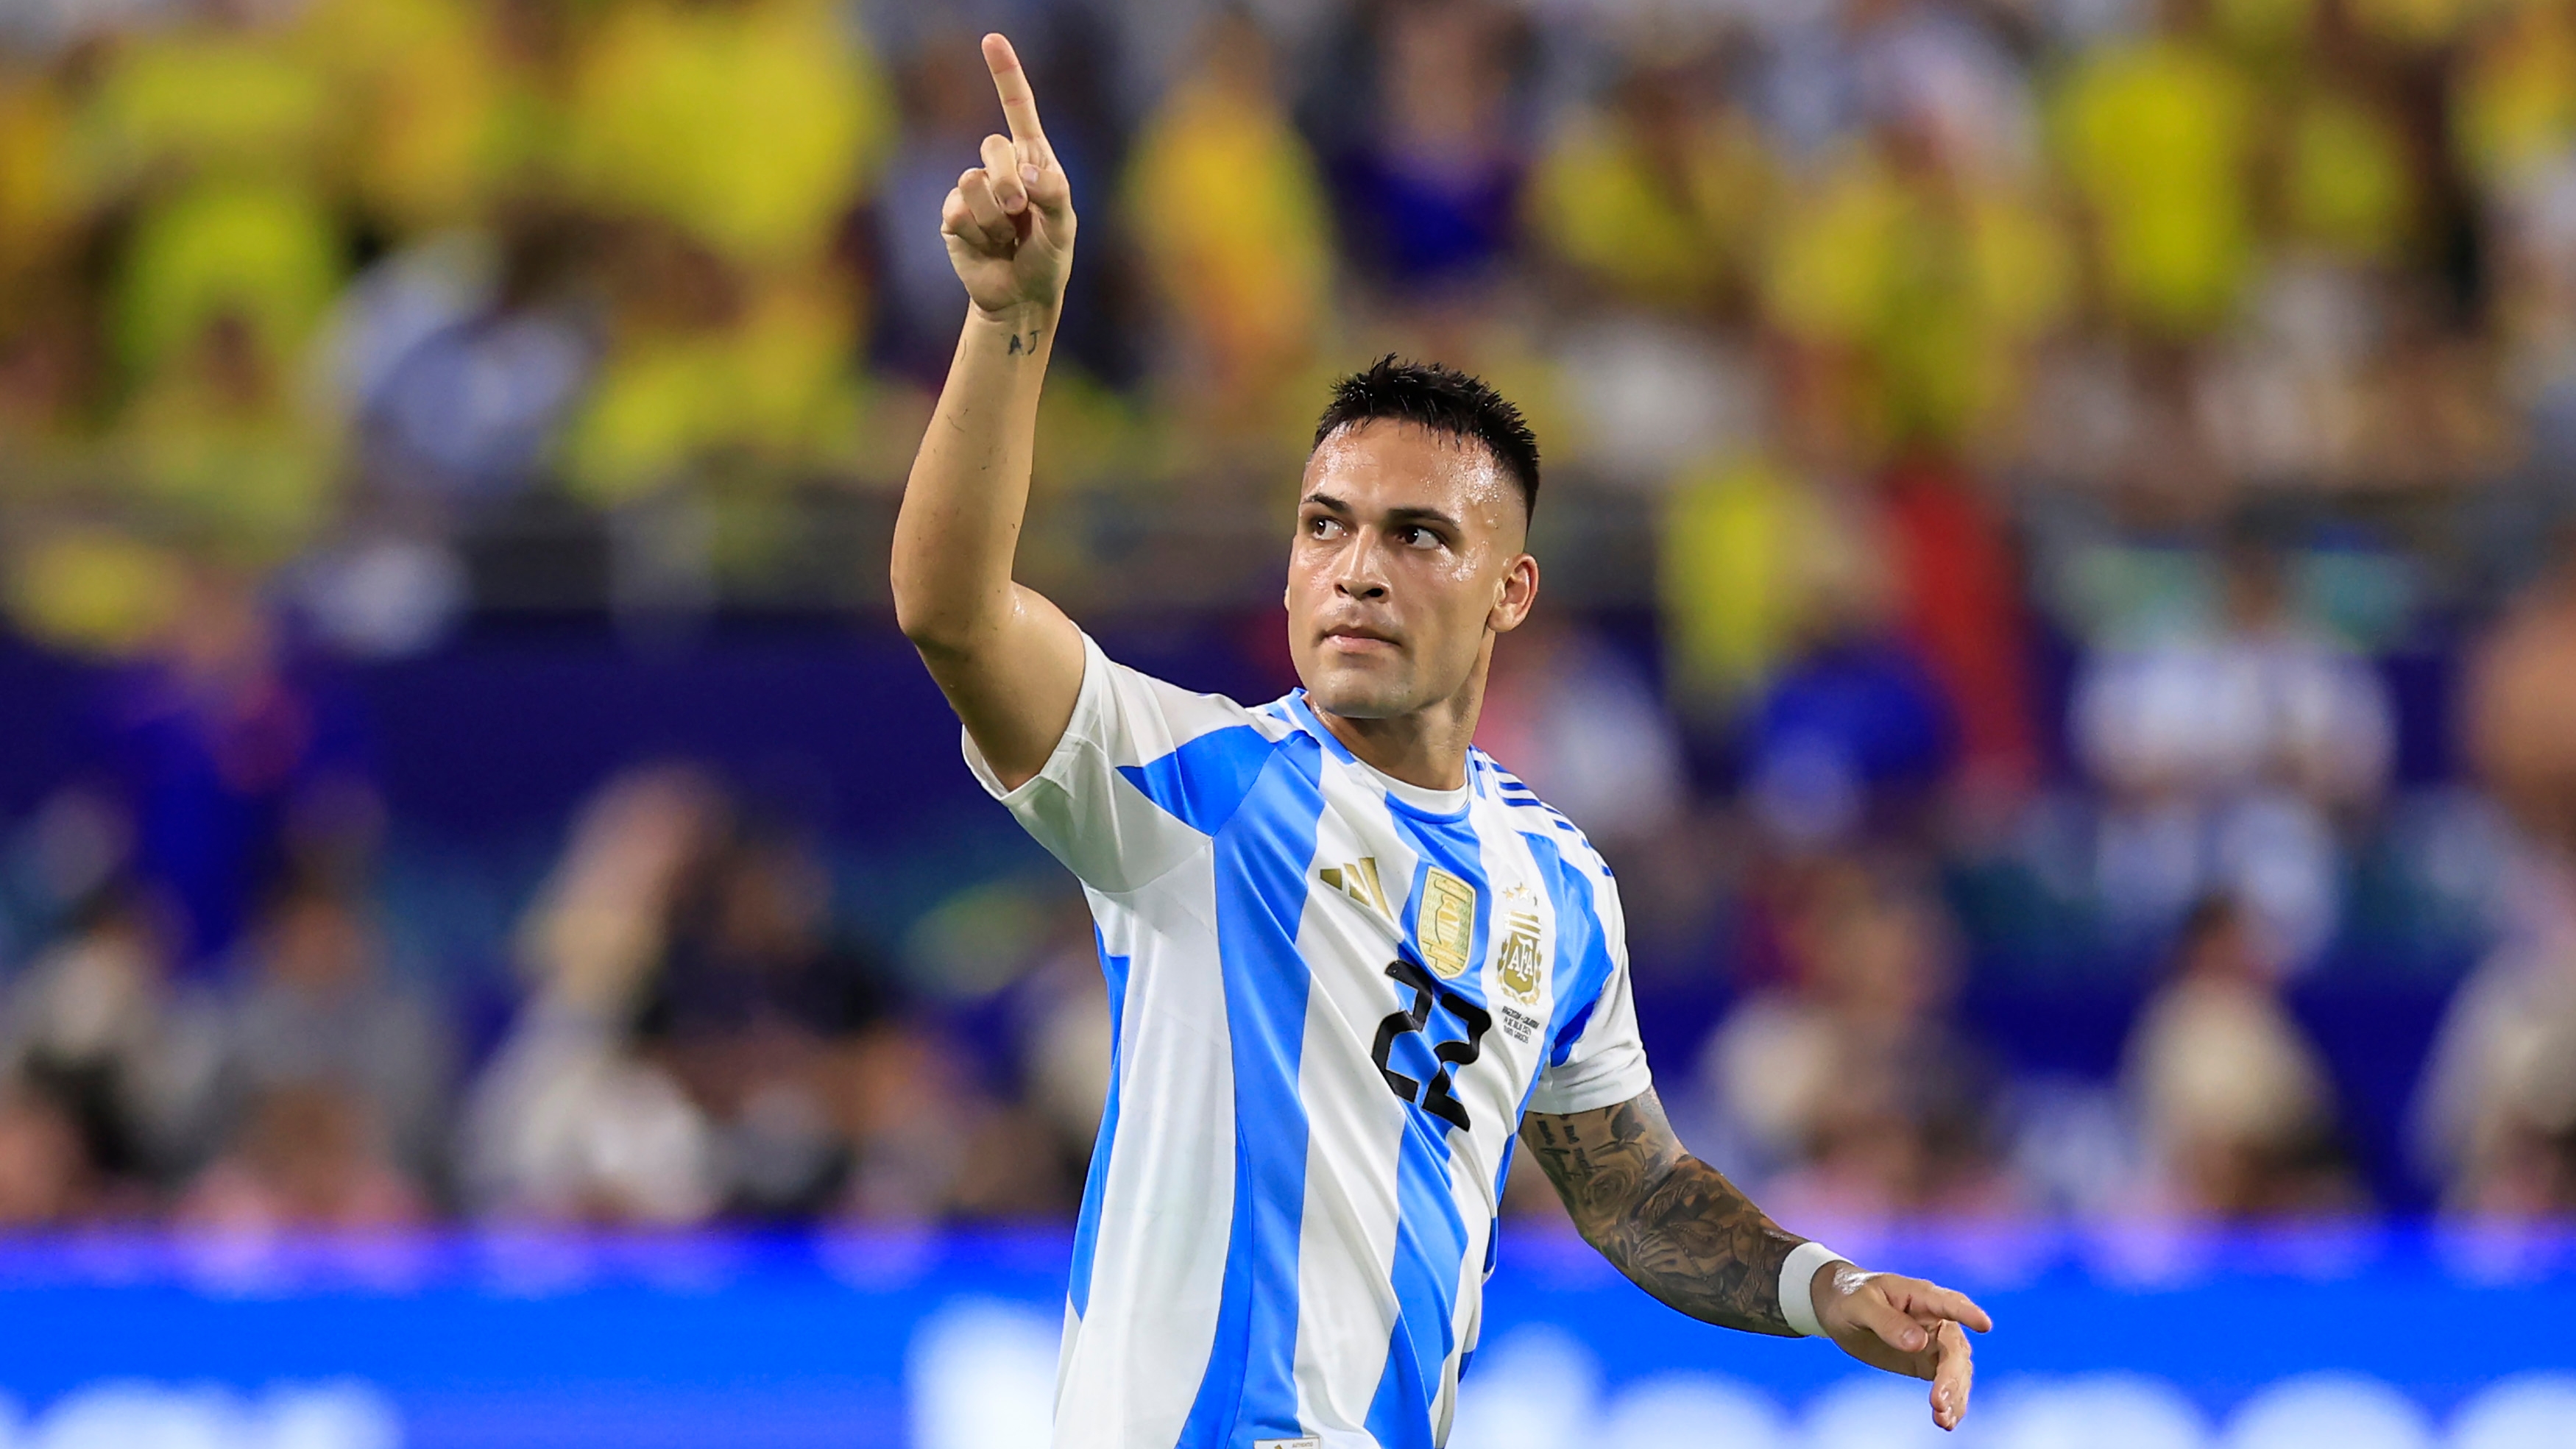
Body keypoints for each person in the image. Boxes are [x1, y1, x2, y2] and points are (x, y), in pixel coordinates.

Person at [889, 35, 1992, 1448]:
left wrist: (1817, 1286)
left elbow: (1631, 1184)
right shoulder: (1199, 791)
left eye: (1417, 535)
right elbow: (952, 609)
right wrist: (1014, 321)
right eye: (1324, 527)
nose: (1356, 568)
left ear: (1509, 592)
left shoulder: (1555, 883)